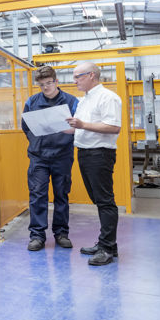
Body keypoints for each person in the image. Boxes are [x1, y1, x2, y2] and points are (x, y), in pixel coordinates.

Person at [66, 62, 122, 266]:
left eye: (77, 76)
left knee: (105, 201)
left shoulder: (108, 98)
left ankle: (107, 248)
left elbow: (114, 127)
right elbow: (82, 127)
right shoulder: (84, 100)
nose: (75, 81)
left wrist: (81, 125)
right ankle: (107, 243)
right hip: (85, 152)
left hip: (100, 154)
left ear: (91, 75)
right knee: (98, 199)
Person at [22, 66, 78, 252]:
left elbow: (79, 126)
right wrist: (37, 143)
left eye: (49, 83)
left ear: (56, 82)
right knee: (37, 195)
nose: (46, 87)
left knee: (61, 195)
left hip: (62, 156)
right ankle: (37, 235)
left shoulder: (71, 102)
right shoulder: (32, 101)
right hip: (39, 157)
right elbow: (26, 126)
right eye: (41, 85)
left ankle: (61, 233)